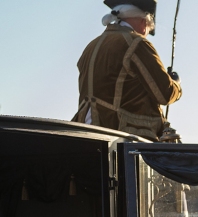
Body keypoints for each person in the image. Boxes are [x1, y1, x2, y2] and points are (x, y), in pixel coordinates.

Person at [73, 2, 182, 141]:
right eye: (148, 29)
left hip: (86, 135)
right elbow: (164, 94)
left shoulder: (91, 46)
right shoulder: (137, 43)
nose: (146, 34)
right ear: (144, 22)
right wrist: (176, 84)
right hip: (123, 139)